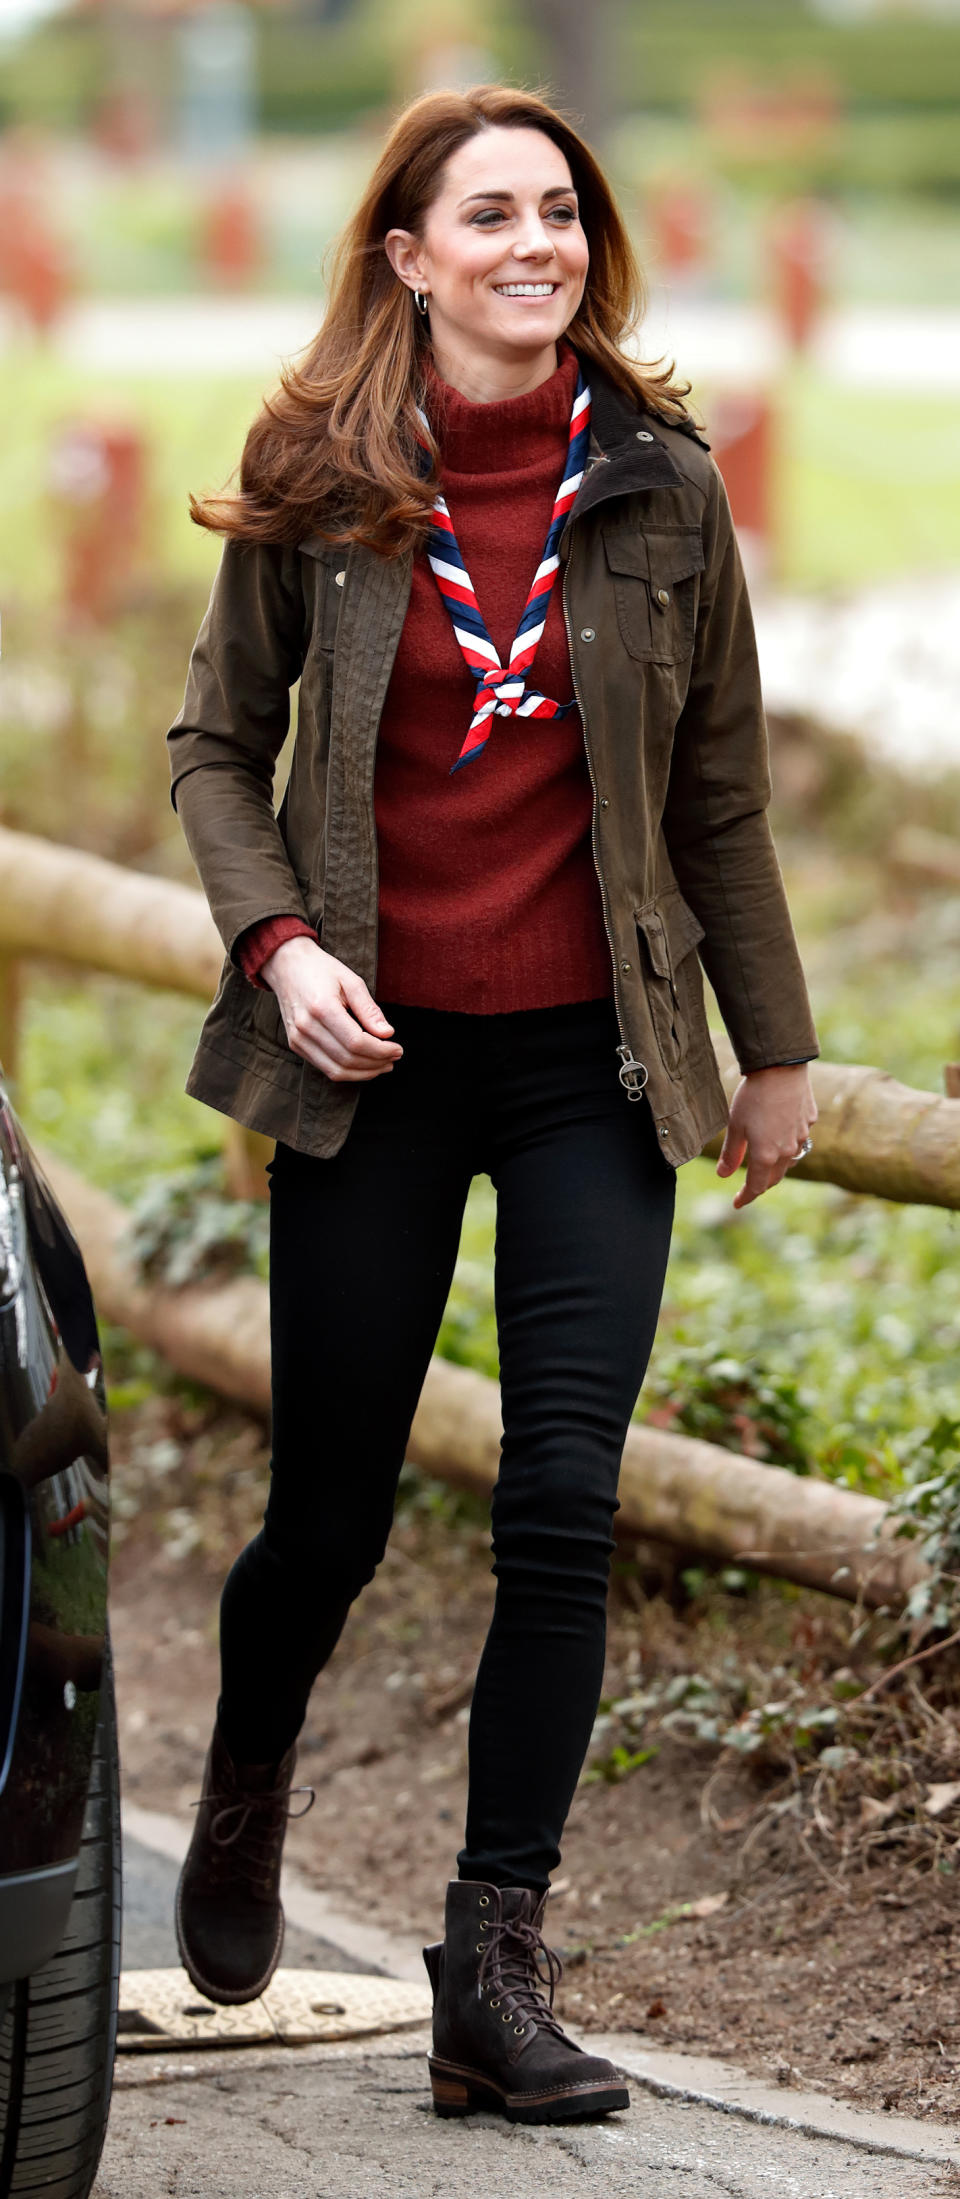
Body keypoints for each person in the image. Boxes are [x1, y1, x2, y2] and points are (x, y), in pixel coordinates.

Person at [166, 84, 818, 2126]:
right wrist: (281, 942)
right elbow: (213, 743)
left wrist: (774, 1042)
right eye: (492, 213)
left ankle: (492, 1961)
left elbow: (720, 783)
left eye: (561, 210)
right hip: (372, 1066)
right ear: (410, 254)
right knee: (331, 1515)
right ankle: (252, 1774)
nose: (535, 241)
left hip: (589, 1065)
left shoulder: (662, 482)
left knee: (560, 1497)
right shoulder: (320, 468)